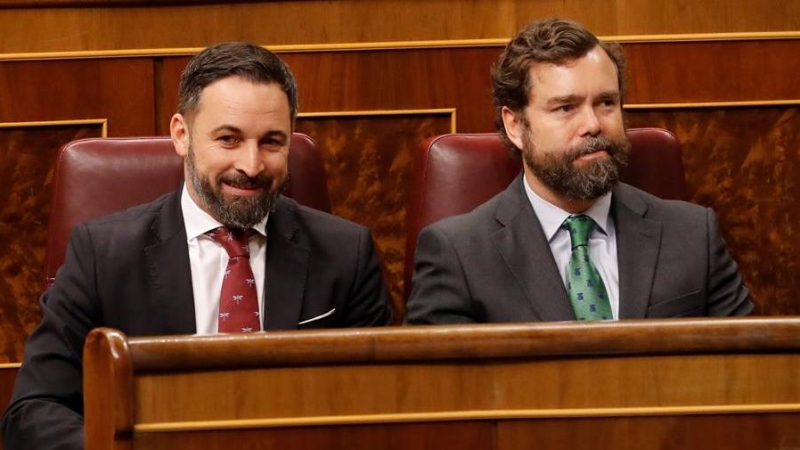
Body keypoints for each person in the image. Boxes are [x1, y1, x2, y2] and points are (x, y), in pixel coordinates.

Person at [2, 42, 392, 450]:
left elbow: (387, 409)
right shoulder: (103, 253)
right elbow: (33, 412)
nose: (251, 165)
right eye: (228, 139)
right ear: (181, 135)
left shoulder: (347, 253)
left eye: (272, 142)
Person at [405, 18, 753, 324]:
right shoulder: (458, 254)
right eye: (566, 107)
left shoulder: (693, 235)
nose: (592, 124)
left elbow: (751, 375)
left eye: (606, 103)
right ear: (515, 126)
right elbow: (436, 392)